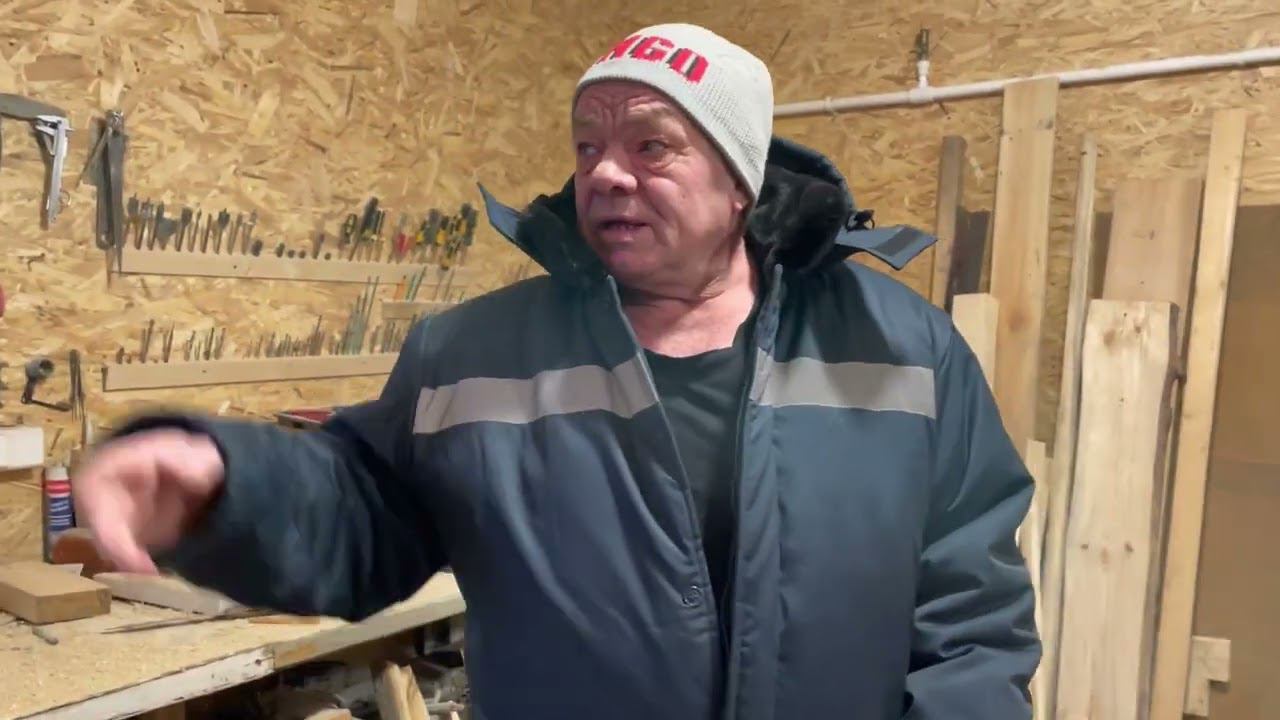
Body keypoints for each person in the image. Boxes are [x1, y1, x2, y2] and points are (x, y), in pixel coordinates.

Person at [76, 22, 1039, 720]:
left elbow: (972, 613)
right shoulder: (472, 355)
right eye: (588, 146)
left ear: (740, 182)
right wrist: (225, 487)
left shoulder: (902, 348)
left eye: (650, 144)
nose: (606, 173)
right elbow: (363, 511)